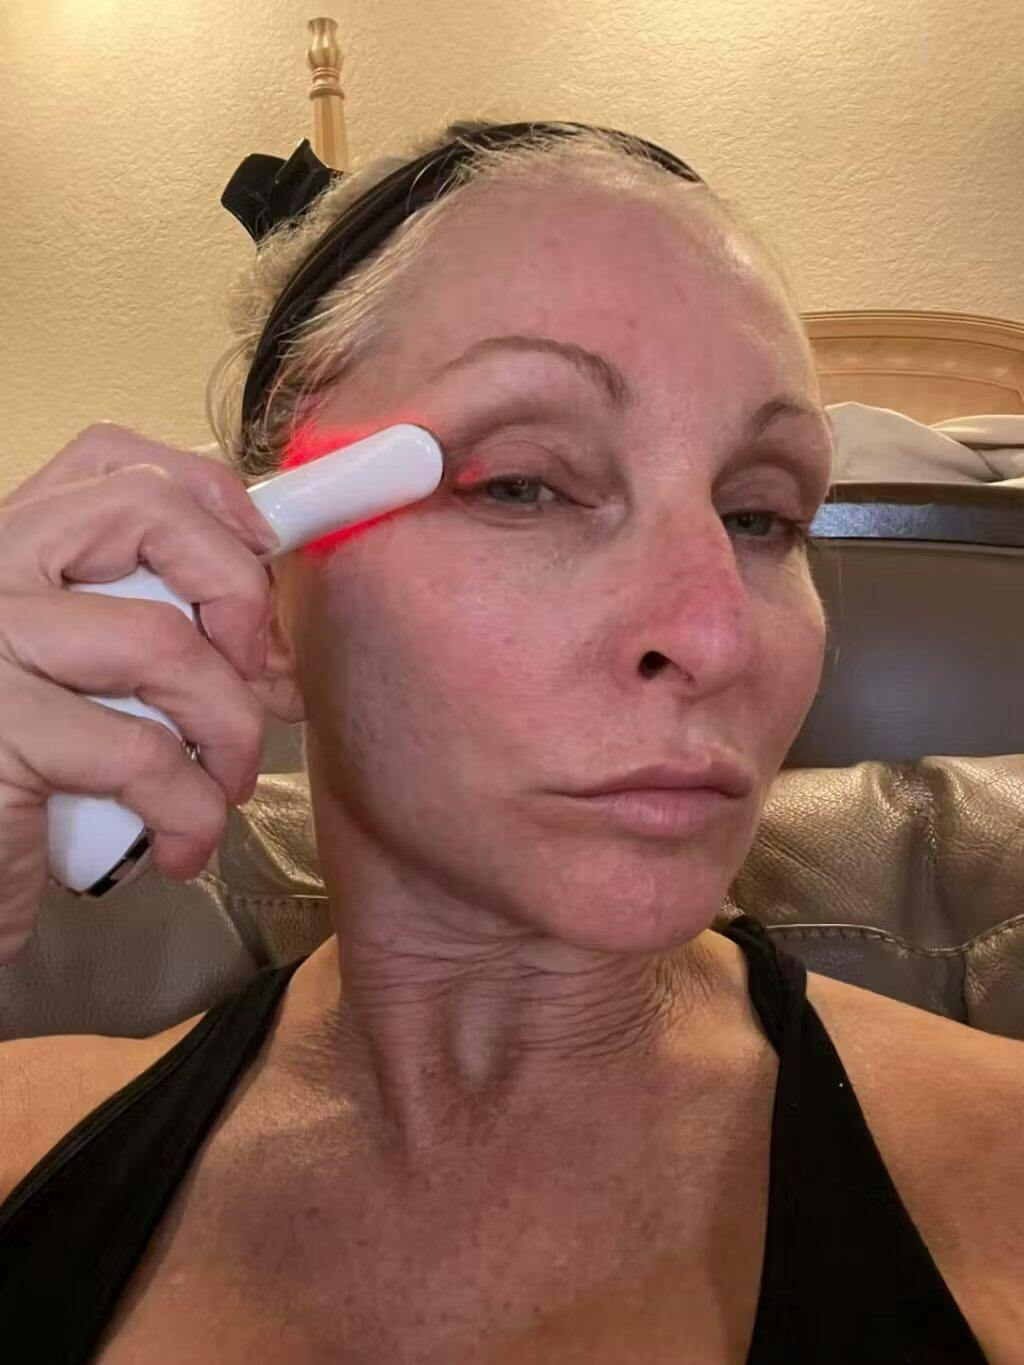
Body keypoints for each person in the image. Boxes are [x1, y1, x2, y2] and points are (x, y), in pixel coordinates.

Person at [0, 121, 1019, 1365]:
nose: (714, 635)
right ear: (262, 605)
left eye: (760, 515)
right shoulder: (26, 1147)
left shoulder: (998, 1191)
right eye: (522, 485)